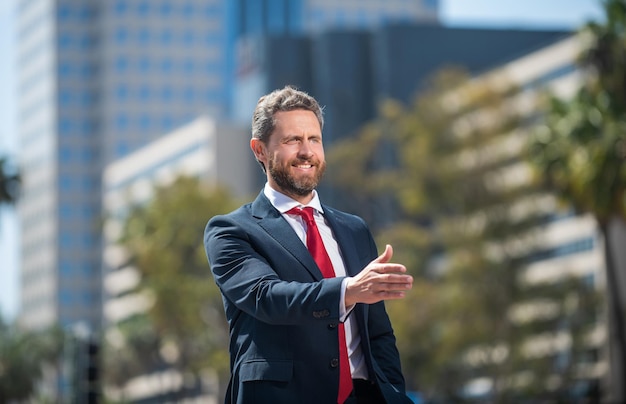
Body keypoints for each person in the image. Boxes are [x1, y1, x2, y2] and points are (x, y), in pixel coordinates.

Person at [204, 85, 414, 404]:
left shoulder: (354, 229)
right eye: (292, 140)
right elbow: (266, 296)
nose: (306, 151)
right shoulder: (231, 230)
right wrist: (348, 290)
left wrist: (394, 393)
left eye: (313, 139)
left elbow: (378, 334)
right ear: (259, 150)